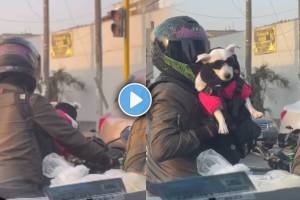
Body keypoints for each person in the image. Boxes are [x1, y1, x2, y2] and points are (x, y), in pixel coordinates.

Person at [146, 16, 260, 183]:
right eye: (185, 50)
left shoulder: (199, 86)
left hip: (206, 180)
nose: (195, 56)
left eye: (198, 48)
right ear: (166, 53)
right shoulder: (168, 92)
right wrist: (211, 129)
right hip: (179, 186)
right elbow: (162, 146)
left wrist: (238, 121)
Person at [0, 37, 115, 198]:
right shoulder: (29, 102)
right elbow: (72, 138)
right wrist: (105, 157)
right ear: (30, 66)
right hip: (21, 191)